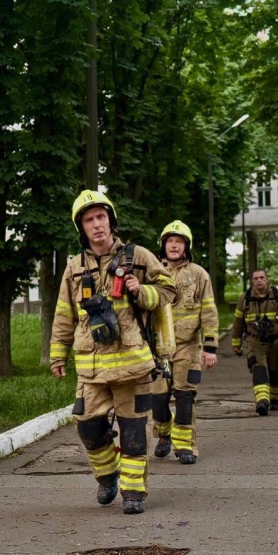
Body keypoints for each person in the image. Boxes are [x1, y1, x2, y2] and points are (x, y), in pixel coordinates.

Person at [50, 190, 176, 514]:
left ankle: (134, 493)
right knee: (87, 425)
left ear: (111, 220)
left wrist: (142, 290)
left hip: (132, 367)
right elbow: (64, 313)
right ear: (82, 228)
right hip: (91, 368)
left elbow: (169, 290)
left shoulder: (138, 257)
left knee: (133, 431)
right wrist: (57, 354)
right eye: (89, 220)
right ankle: (107, 477)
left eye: (101, 217)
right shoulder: (74, 268)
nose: (96, 225)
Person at [150, 221, 218, 465]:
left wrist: (210, 347)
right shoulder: (152, 272)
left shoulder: (198, 274)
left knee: (185, 396)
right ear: (163, 245)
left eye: (179, 241)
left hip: (188, 347)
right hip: (157, 349)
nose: (174, 245)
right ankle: (164, 434)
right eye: (170, 241)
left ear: (186, 246)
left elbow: (209, 310)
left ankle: (185, 446)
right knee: (157, 399)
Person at [231, 269, 278, 416]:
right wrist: (236, 343)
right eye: (256, 278)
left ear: (267, 279)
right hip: (254, 340)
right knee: (258, 369)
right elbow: (237, 322)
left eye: (262, 277)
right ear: (252, 281)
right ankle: (262, 402)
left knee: (275, 371)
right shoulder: (245, 298)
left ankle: (275, 399)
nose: (259, 280)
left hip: (276, 341)